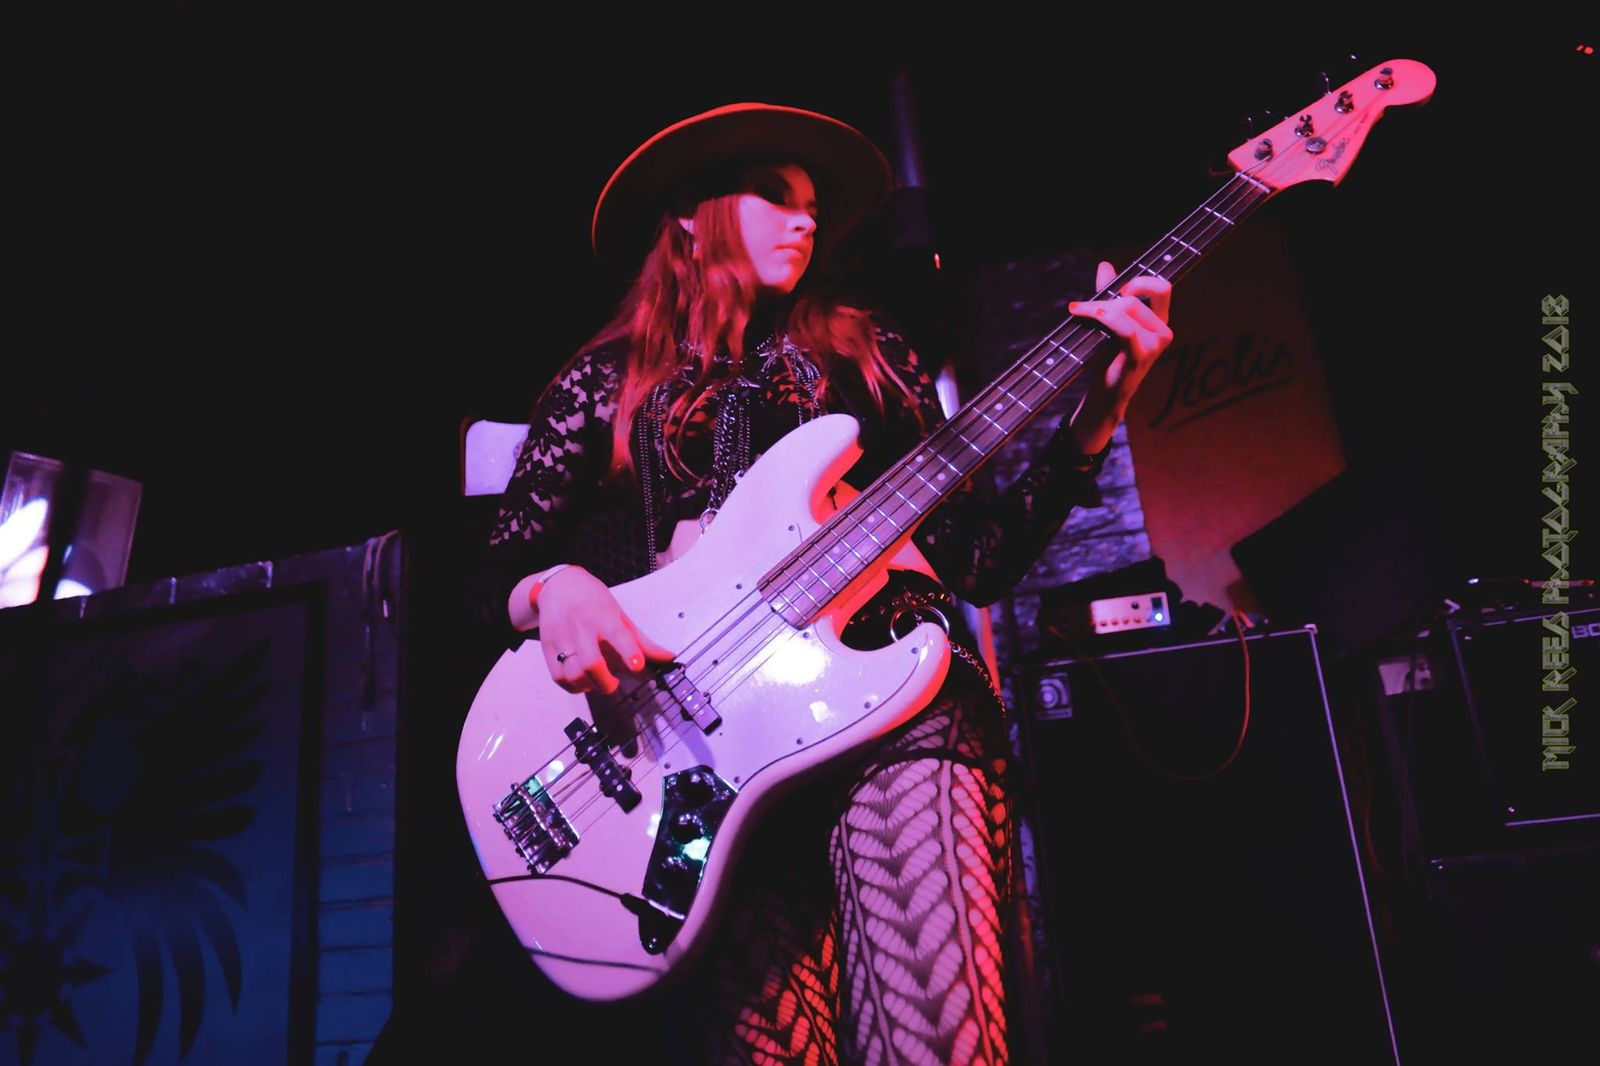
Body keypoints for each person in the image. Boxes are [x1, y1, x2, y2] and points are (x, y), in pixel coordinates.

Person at [476, 102, 1173, 1064]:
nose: (806, 219)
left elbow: (977, 560)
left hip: (899, 711)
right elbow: (495, 574)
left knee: (936, 1042)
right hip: (703, 756)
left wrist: (1099, 411)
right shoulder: (604, 381)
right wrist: (554, 586)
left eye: (812, 204)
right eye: (775, 194)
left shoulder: (864, 350)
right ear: (689, 215)